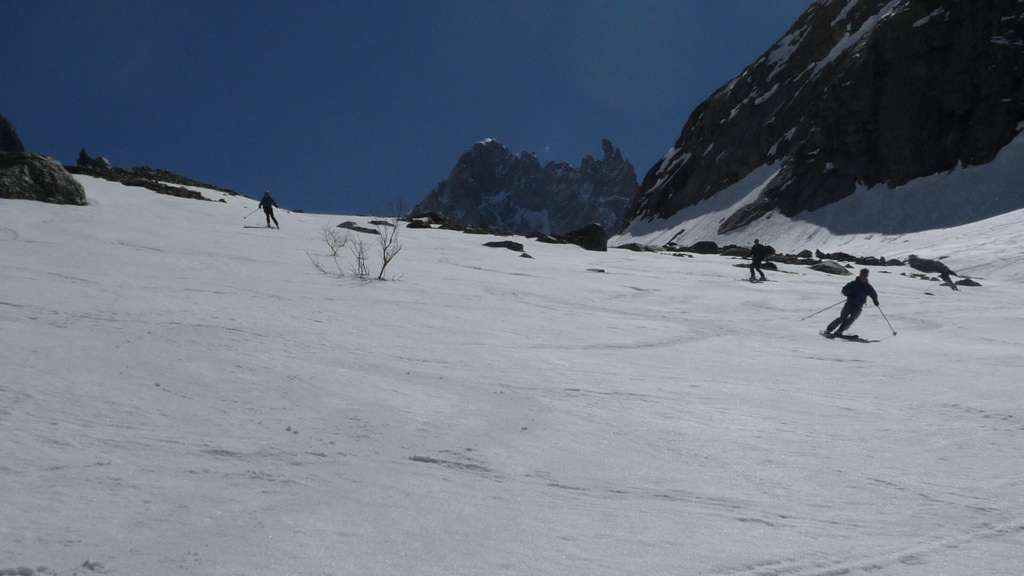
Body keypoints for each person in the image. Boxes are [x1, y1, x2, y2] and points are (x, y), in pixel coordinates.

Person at [825, 268, 879, 336]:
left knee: (852, 319)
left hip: (858, 307)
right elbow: (844, 290)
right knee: (842, 318)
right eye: (863, 275)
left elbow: (873, 294)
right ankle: (829, 329)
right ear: (860, 275)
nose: (864, 277)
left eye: (865, 276)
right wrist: (849, 294)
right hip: (849, 304)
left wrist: (875, 300)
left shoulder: (868, 287)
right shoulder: (853, 284)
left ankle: (839, 331)